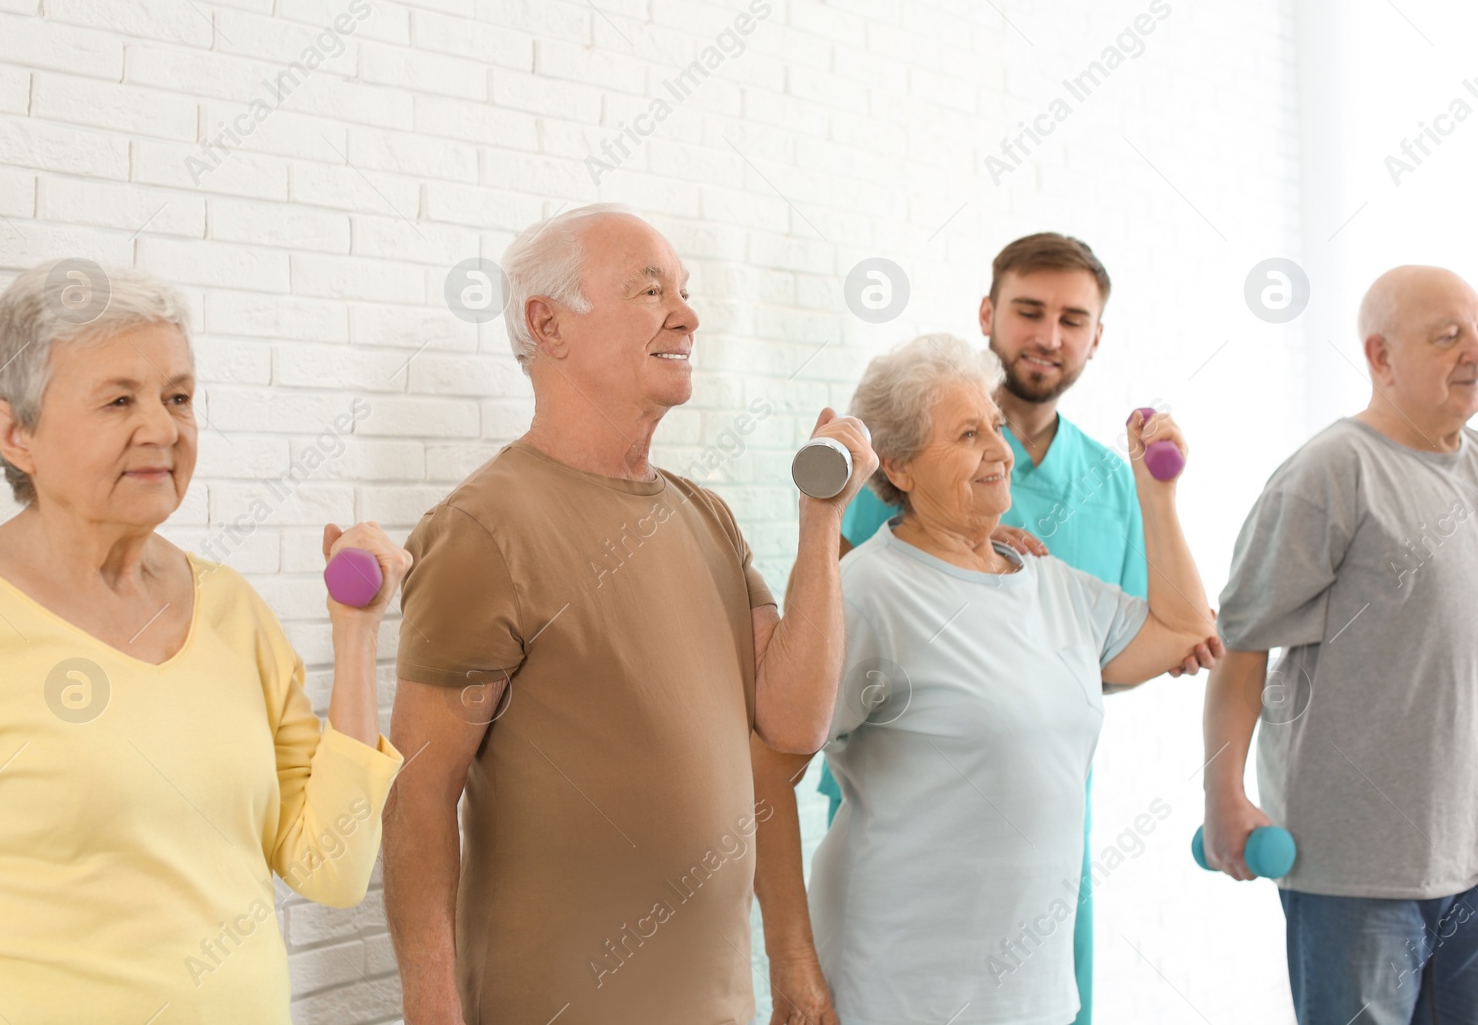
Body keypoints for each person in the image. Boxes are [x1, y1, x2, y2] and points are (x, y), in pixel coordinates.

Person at [381, 203, 876, 1024]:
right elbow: (418, 792)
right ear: (549, 324)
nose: (686, 313)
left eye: (685, 291)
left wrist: (819, 519)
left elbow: (792, 723)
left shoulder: (704, 516)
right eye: (650, 290)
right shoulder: (483, 530)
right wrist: (432, 1013)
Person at [0, 263, 408, 1023]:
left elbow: (331, 865)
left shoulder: (232, 609)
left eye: (179, 397)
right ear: (14, 431)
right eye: (119, 399)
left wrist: (356, 632)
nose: (162, 427)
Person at [780, 233, 1213, 1025]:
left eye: (994, 429)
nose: (998, 450)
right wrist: (794, 967)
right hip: (902, 958)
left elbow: (1182, 628)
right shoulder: (872, 579)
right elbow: (783, 727)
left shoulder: (1052, 568)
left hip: (1034, 941)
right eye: (970, 434)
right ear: (899, 471)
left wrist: (1159, 493)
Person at [1203, 265, 1478, 1024]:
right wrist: (1223, 793)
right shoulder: (1332, 472)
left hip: (1469, 860)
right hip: (1354, 873)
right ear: (1381, 357)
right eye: (1447, 336)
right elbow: (1241, 645)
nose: (1472, 351)